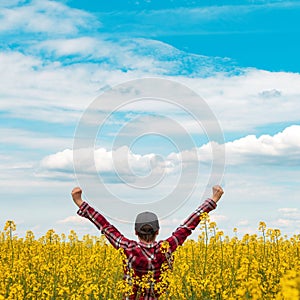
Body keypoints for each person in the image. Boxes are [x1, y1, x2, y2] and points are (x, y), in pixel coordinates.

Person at [71, 185, 224, 299]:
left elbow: (105, 226)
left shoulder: (127, 248)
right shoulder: (166, 248)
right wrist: (213, 200)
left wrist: (80, 202)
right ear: (157, 231)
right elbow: (187, 227)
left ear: (135, 232)